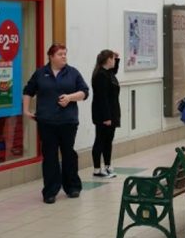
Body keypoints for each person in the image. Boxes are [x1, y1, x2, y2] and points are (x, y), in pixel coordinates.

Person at [23, 43, 89, 204]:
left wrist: (69, 98)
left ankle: (72, 186)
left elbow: (84, 92)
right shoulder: (40, 73)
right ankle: (50, 191)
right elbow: (28, 91)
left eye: (65, 54)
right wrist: (26, 110)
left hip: (68, 121)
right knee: (50, 156)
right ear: (51, 57)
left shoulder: (72, 73)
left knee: (68, 154)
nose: (64, 57)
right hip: (47, 122)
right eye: (60, 54)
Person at [91, 49, 120, 178]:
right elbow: (102, 98)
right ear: (108, 60)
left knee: (108, 140)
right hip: (103, 114)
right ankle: (97, 169)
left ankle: (107, 165)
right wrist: (107, 117)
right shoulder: (100, 75)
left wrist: (117, 59)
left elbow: (114, 71)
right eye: (113, 59)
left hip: (112, 112)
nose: (114, 61)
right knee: (100, 140)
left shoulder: (108, 73)